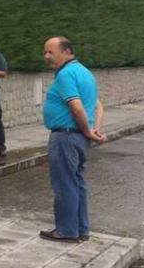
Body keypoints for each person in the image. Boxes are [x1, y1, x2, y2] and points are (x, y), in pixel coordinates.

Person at [40, 36, 106, 243]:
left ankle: (66, 231)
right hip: (77, 137)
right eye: (45, 52)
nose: (46, 56)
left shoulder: (66, 74)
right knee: (77, 183)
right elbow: (97, 105)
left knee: (65, 184)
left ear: (67, 51)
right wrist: (94, 129)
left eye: (51, 52)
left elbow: (77, 107)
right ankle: (81, 229)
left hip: (66, 137)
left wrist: (88, 131)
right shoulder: (85, 73)